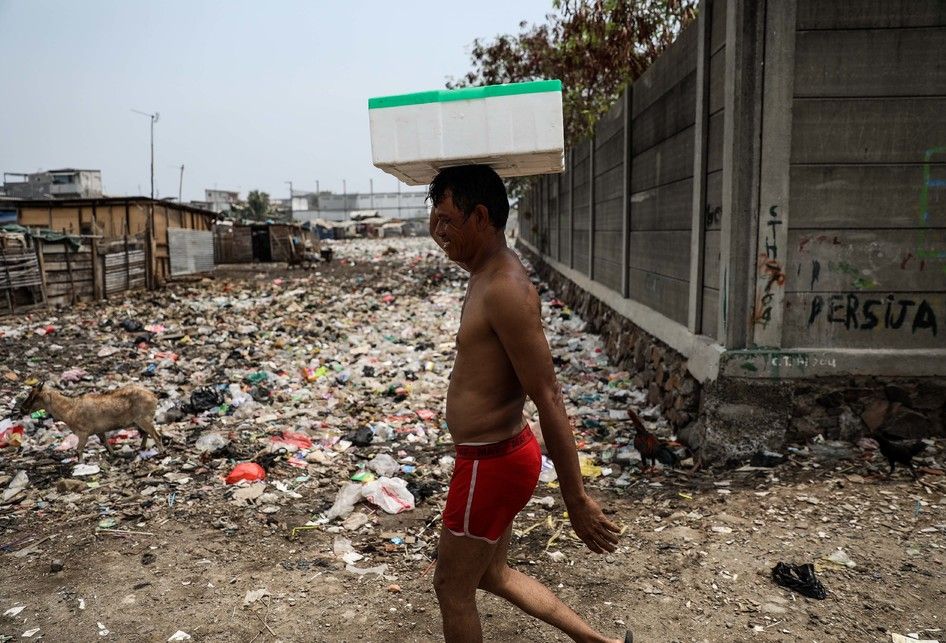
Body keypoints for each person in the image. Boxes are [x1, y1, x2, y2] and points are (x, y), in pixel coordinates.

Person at [428, 165, 628, 643]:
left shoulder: (505, 289)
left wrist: (575, 499)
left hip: (490, 463)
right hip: (499, 455)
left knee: (452, 589)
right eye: (432, 219)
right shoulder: (484, 273)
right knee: (492, 574)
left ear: (480, 216)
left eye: (446, 220)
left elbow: (549, 396)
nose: (437, 232)